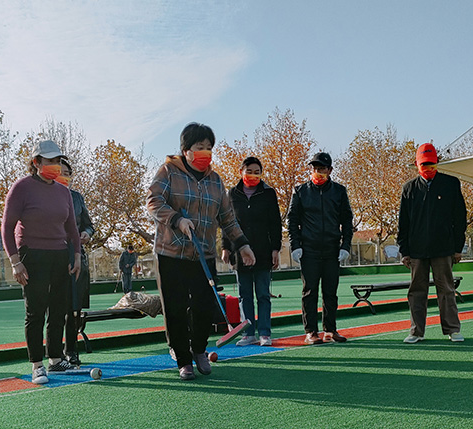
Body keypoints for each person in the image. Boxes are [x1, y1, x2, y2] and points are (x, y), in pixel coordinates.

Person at [147, 122, 256, 381]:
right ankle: (183, 359)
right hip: (170, 253)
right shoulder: (168, 172)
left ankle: (199, 350)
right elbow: (153, 201)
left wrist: (243, 244)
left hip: (203, 254)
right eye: (200, 147)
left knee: (204, 307)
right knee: (174, 308)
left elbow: (227, 218)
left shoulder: (215, 180)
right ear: (186, 150)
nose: (205, 152)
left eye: (209, 147)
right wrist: (176, 220)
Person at [0, 140, 82, 384]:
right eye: (50, 161)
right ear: (36, 163)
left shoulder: (63, 191)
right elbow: (7, 227)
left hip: (59, 255)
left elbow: (72, 228)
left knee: (58, 310)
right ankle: (37, 364)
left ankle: (55, 360)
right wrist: (15, 261)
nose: (55, 166)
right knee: (35, 311)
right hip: (31, 254)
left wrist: (76, 255)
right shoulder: (21, 188)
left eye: (58, 161)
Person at [397, 142, 467, 344]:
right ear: (417, 165)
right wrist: (405, 251)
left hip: (444, 248)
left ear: (437, 163)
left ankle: (452, 329)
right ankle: (416, 331)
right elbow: (404, 222)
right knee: (417, 291)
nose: (428, 169)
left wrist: (457, 247)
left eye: (431, 165)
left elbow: (459, 217)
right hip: (417, 250)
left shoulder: (451, 184)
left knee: (446, 289)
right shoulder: (408, 189)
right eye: (424, 165)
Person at [287, 151, 353, 345]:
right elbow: (292, 220)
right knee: (310, 291)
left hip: (332, 249)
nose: (318, 172)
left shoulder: (339, 191)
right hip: (309, 250)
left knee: (330, 291)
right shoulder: (300, 192)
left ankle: (330, 330)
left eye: (322, 168)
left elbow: (347, 220)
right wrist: (295, 245)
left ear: (330, 170)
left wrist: (345, 246)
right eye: (315, 168)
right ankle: (311, 332)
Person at [221, 157, 282, 347]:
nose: (253, 175)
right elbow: (226, 223)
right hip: (239, 252)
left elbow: (275, 223)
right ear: (241, 172)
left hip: (263, 251)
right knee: (244, 294)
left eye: (257, 172)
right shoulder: (232, 194)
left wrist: (276, 249)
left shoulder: (268, 193)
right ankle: (248, 333)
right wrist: (225, 247)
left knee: (263, 294)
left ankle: (264, 332)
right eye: (249, 171)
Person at [57, 158, 94, 366]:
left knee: (74, 308)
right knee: (56, 308)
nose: (63, 176)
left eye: (67, 173)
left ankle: (71, 350)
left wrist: (86, 233)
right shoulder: (47, 197)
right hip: (54, 256)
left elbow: (89, 225)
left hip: (77, 256)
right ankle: (55, 353)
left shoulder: (78, 198)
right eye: (59, 171)